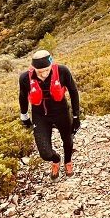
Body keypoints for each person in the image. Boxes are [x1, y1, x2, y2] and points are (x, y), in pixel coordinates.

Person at [19, 50, 81, 179]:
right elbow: (23, 97)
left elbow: (74, 92)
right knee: (45, 153)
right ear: (33, 68)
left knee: (67, 139)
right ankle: (55, 159)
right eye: (40, 71)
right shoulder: (25, 78)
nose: (44, 74)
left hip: (61, 111)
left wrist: (76, 116)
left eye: (47, 70)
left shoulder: (63, 71)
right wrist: (24, 115)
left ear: (51, 65)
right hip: (40, 114)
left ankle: (68, 161)